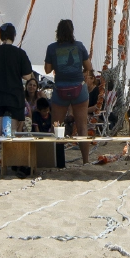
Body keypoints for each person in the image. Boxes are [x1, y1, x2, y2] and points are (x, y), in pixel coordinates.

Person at [44, 19, 95, 165]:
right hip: (79, 89)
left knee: (57, 127)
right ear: (72, 31)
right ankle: (85, 161)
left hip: (60, 89)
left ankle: (59, 162)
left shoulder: (52, 48)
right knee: (82, 127)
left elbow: (47, 70)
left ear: (58, 32)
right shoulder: (79, 46)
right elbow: (89, 67)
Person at [0, 23, 34, 164]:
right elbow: (27, 76)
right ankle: (11, 163)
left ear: (0, 36)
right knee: (12, 131)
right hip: (14, 96)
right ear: (14, 36)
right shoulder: (20, 53)